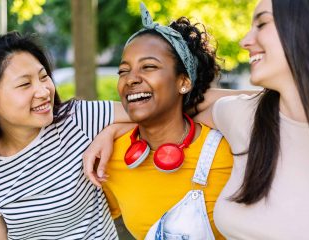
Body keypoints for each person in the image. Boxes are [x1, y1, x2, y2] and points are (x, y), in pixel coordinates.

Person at [83, 3, 235, 239]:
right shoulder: (110, 158)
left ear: (183, 81)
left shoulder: (231, 147)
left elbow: (278, 100)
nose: (131, 79)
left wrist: (195, 102)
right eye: (123, 71)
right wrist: (112, 131)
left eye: (149, 67)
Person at [194, 0, 309, 239]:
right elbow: (174, 103)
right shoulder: (246, 116)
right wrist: (113, 130)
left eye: (262, 23)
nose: (245, 41)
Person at [0, 32, 130, 239]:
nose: (44, 91)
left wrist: (110, 132)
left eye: (43, 77)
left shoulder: (77, 119)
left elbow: (159, 115)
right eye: (24, 84)